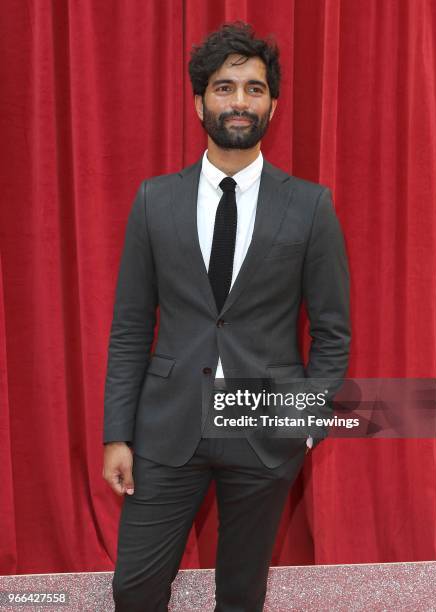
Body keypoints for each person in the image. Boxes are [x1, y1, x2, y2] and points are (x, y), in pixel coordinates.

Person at [103, 21, 350, 612]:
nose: (239, 100)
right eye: (224, 87)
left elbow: (334, 333)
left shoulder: (311, 206)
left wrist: (304, 422)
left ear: (273, 104)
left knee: (242, 593)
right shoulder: (153, 200)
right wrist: (118, 433)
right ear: (199, 102)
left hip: (264, 430)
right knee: (134, 588)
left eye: (254, 88)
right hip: (167, 431)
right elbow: (131, 327)